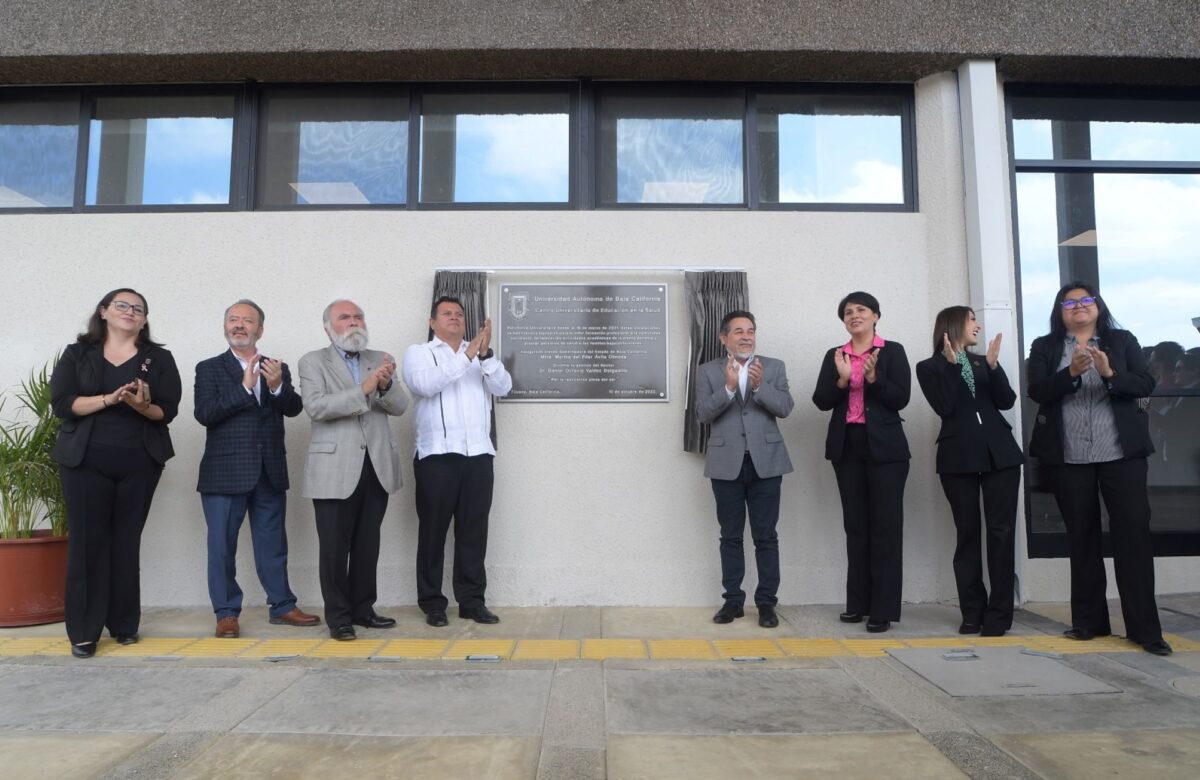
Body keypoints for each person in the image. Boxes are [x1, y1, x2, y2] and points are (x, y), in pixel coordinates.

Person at [1027, 281, 1171, 655]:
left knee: (1133, 537)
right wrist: (1070, 372)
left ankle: (1145, 629)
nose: (1078, 306)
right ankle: (1089, 622)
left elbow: (1145, 383)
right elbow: (1038, 390)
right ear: (1059, 312)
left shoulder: (1122, 341)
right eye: (1069, 302)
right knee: (1082, 538)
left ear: (1098, 306)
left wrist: (1109, 373)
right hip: (1069, 457)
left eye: (1085, 300)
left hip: (1121, 455)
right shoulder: (1045, 347)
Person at [49, 288, 182, 658]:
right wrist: (109, 399)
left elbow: (166, 410)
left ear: (144, 320)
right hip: (84, 461)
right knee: (88, 544)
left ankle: (124, 624)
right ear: (104, 312)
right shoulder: (78, 353)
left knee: (126, 541)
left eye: (138, 309)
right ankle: (84, 631)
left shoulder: (158, 359)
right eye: (122, 305)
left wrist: (142, 406)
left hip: (139, 462)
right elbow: (63, 404)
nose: (130, 312)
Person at [194, 299, 320, 639]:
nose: (239, 325)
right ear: (225, 327)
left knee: (273, 544)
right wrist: (245, 388)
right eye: (233, 320)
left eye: (247, 321)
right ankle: (225, 613)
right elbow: (205, 413)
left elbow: (293, 408)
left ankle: (282, 606)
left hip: (269, 471)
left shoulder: (276, 366)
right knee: (221, 546)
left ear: (259, 330)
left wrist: (278, 386)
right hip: (224, 474)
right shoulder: (209, 368)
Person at [299, 299, 408, 641]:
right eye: (344, 317)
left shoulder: (380, 359)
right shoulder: (312, 361)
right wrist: (364, 388)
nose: (353, 322)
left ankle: (363, 609)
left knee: (367, 545)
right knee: (333, 548)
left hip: (376, 464)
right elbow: (316, 408)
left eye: (358, 316)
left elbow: (401, 407)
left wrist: (386, 385)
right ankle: (339, 617)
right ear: (328, 327)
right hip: (332, 468)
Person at [402, 296, 512, 627]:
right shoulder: (419, 353)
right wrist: (466, 356)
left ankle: (472, 601)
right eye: (447, 314)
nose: (455, 318)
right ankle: (432, 603)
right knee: (433, 531)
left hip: (478, 454)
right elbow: (425, 384)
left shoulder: (479, 354)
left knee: (473, 532)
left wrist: (485, 355)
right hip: (437, 455)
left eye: (460, 315)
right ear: (432, 322)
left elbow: (503, 387)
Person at [916, 306, 1023, 637]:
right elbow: (945, 407)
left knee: (1001, 533)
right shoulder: (928, 367)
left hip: (1000, 455)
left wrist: (993, 367)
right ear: (954, 324)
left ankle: (999, 614)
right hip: (957, 456)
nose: (978, 325)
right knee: (967, 535)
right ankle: (972, 611)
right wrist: (951, 367)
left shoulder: (981, 361)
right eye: (972, 319)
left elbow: (1006, 401)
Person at [812, 291, 910, 633]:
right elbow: (821, 401)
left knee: (885, 527)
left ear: (876, 316)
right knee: (856, 526)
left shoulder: (892, 351)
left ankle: (882, 609)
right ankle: (858, 604)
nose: (854, 315)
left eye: (861, 310)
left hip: (886, 449)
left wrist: (873, 379)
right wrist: (841, 379)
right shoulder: (835, 354)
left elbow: (902, 398)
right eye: (848, 312)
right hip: (847, 446)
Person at [695, 310, 794, 628]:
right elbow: (702, 414)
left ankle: (767, 604)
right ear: (724, 337)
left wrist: (760, 386)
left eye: (751, 330)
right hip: (727, 464)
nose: (746, 336)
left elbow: (785, 408)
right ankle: (733, 602)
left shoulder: (773, 367)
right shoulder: (708, 371)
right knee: (730, 537)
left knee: (766, 537)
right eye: (738, 331)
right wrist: (726, 389)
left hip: (766, 463)